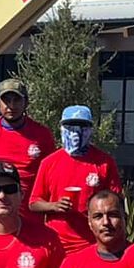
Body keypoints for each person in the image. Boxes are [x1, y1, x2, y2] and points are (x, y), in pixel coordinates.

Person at [29, 104, 123, 254]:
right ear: (62, 128)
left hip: (92, 244)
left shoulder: (104, 162)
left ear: (91, 129)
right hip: (57, 244)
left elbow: (116, 202)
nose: (76, 131)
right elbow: (34, 204)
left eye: (83, 126)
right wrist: (54, 206)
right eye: (71, 126)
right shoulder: (49, 163)